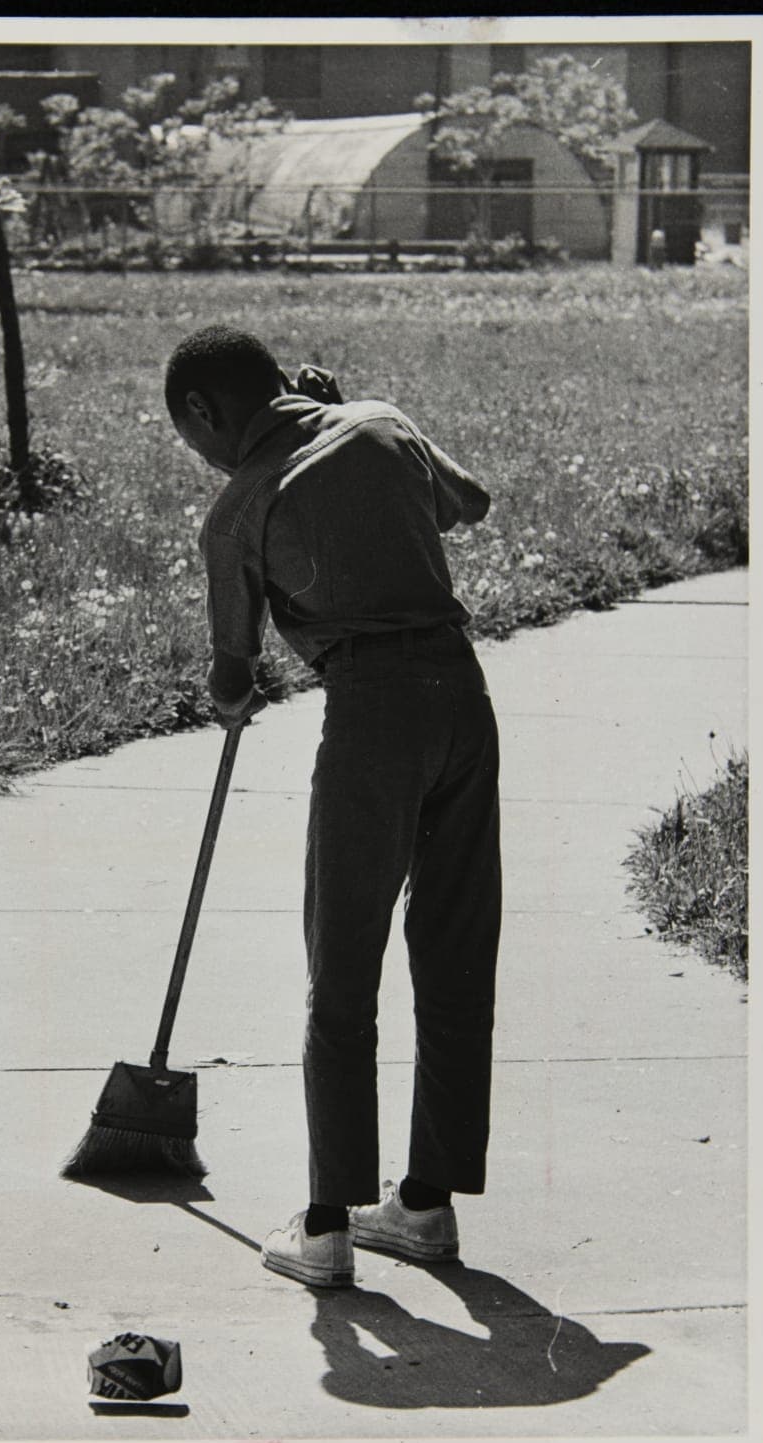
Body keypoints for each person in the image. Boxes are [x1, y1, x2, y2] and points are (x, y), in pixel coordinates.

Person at [164, 325, 501, 1289]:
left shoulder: (237, 513)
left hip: (372, 720)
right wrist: (353, 417)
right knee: (454, 948)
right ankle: (426, 1206)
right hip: (463, 702)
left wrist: (235, 694)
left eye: (192, 437)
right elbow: (468, 504)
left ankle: (327, 1227)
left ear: (204, 412)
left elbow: (235, 680)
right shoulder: (382, 423)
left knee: (343, 965)